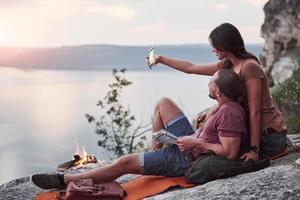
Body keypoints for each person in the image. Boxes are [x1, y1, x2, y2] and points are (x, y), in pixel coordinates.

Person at [31, 69, 246, 189]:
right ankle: (155, 150)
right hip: (188, 143)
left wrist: (197, 142)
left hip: (187, 158)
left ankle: (66, 180)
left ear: (218, 91)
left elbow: (230, 152)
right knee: (163, 102)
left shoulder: (230, 112)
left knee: (123, 163)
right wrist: (208, 114)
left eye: (211, 83)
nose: (208, 84)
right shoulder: (223, 106)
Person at [147, 22, 287, 161]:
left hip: (267, 137)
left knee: (207, 145)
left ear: (225, 45)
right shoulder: (228, 64)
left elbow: (254, 112)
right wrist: (160, 59)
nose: (213, 50)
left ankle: (172, 159)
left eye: (215, 46)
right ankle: (155, 153)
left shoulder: (249, 67)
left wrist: (254, 150)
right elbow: (191, 68)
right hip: (248, 131)